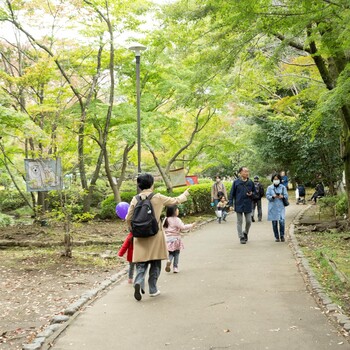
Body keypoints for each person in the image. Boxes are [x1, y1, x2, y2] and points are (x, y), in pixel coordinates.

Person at [125, 173, 191, 301]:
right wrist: (185, 194)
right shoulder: (158, 197)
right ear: (152, 184)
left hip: (140, 235)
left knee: (141, 262)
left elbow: (128, 217)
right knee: (155, 262)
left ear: (139, 185)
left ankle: (138, 281)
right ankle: (153, 289)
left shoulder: (135, 199)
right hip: (155, 234)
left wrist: (133, 229)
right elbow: (175, 201)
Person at [163, 205, 195, 273]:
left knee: (171, 253)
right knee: (177, 253)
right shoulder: (176, 219)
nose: (178, 210)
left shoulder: (166, 219)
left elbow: (163, 228)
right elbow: (183, 227)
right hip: (175, 239)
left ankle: (169, 260)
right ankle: (175, 267)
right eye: (177, 209)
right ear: (174, 211)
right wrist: (191, 225)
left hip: (168, 239)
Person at [229, 166, 256, 244]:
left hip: (248, 204)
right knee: (239, 221)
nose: (246, 173)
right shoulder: (236, 182)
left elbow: (255, 193)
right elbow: (232, 194)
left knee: (249, 221)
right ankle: (241, 237)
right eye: (245, 171)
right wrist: (230, 204)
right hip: (239, 204)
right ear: (240, 173)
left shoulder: (250, 182)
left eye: (247, 171)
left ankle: (245, 233)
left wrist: (251, 194)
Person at [266, 173, 289, 242]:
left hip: (281, 206)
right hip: (273, 207)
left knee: (282, 221)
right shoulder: (270, 188)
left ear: (279, 180)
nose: (276, 180)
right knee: (274, 222)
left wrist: (283, 196)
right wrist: (273, 196)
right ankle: (276, 236)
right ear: (272, 180)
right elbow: (267, 196)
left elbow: (286, 196)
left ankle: (282, 235)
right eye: (275, 179)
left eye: (277, 179)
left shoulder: (283, 187)